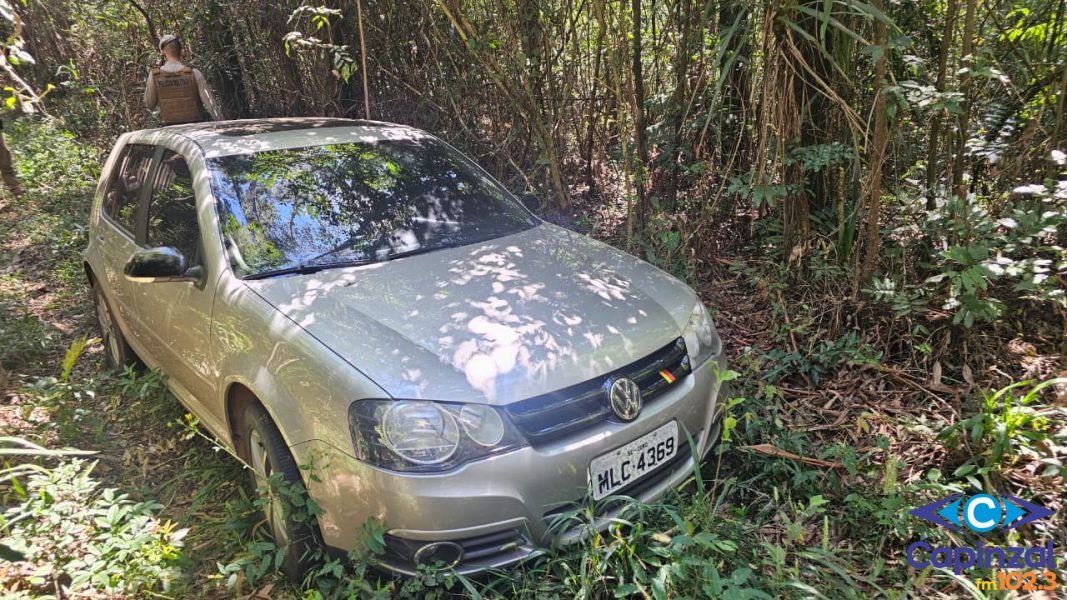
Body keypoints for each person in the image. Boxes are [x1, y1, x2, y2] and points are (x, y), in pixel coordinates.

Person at [144, 34, 225, 125]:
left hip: (171, 132)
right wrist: (224, 125)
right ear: (181, 51)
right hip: (196, 129)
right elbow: (211, 105)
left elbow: (149, 105)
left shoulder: (155, 75)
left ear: (162, 52)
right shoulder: (194, 73)